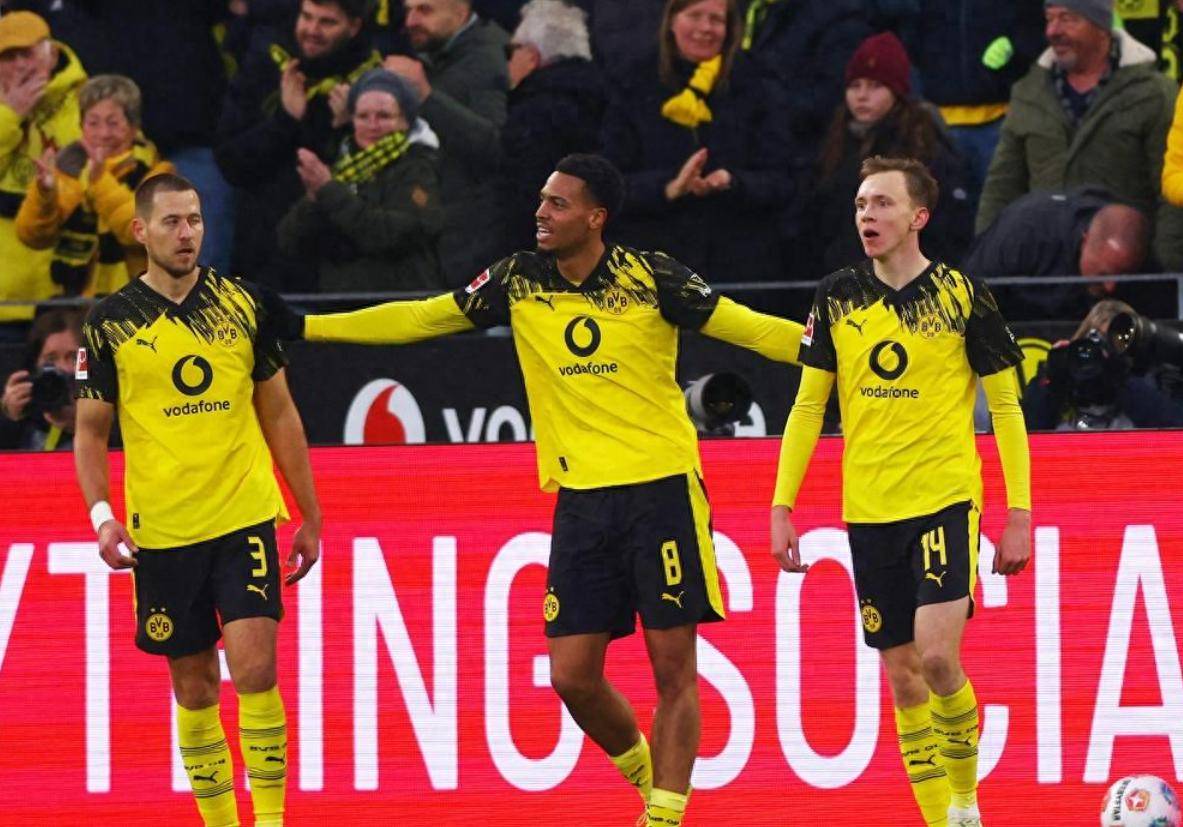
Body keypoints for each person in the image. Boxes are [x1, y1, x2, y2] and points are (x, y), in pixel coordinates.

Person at [275, 153, 804, 827]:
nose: (541, 213)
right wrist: (308, 327)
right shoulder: (518, 279)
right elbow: (423, 318)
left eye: (558, 203)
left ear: (595, 217)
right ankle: (651, 782)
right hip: (582, 502)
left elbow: (750, 327)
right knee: (571, 676)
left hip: (661, 491)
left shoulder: (651, 277)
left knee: (673, 670)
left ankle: (665, 816)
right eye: (541, 200)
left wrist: (840, 353)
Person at [771, 156, 1032, 827]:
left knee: (938, 656)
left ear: (919, 216)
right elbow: (807, 407)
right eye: (861, 203)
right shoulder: (836, 296)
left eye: (882, 203)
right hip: (868, 509)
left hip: (943, 497)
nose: (867, 214)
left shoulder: (961, 296)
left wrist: (1018, 512)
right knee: (902, 675)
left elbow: (1005, 407)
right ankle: (940, 820)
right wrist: (781, 505)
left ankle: (966, 804)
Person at [73, 173, 321, 827]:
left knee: (255, 668)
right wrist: (102, 517)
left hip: (244, 515)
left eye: (195, 220)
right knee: (195, 686)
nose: (187, 234)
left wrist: (310, 513)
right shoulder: (109, 324)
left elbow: (280, 412)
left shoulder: (242, 303)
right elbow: (90, 433)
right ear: (140, 231)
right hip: (163, 531)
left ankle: (271, 820)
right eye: (172, 222)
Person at [976, 1, 1183, 271]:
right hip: (1044, 272)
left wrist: (1168, 270)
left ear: (1102, 27)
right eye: (1049, 19)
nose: (1053, 31)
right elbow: (1002, 186)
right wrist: (985, 261)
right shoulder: (1028, 92)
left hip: (1125, 269)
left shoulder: (1153, 93)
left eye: (1067, 18)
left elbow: (1168, 197)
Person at [601, 0, 793, 291]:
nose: (705, 28)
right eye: (694, 16)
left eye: (716, 19)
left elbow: (783, 179)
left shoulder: (758, 84)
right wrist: (669, 187)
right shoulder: (632, 83)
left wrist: (733, 182)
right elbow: (609, 183)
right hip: (653, 266)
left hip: (738, 265)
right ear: (672, 21)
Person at [216, 0, 381, 291]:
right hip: (265, 254)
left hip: (342, 265)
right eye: (307, 17)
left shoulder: (374, 84)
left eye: (327, 22)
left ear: (354, 26)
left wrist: (349, 128)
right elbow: (231, 162)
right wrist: (285, 120)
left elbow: (385, 179)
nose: (312, 30)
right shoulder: (266, 67)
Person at [803, 31, 973, 278]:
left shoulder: (923, 149)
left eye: (875, 86)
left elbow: (946, 228)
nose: (862, 95)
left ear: (897, 92)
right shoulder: (835, 143)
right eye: (855, 85)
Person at [277, 68, 444, 292]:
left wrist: (329, 191)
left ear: (405, 121)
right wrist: (313, 200)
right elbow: (289, 242)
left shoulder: (418, 168)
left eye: (384, 116)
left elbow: (392, 234)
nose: (372, 125)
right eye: (363, 116)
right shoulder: (341, 165)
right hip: (341, 301)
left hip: (399, 301)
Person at [383, 0, 509, 282]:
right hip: (436, 232)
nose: (411, 21)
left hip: (469, 243)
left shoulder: (487, 60)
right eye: (408, 10)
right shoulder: (438, 53)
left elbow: (495, 146)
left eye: (425, 10)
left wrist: (426, 95)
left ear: (461, 13)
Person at [15, 74, 174, 297]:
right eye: (93, 123)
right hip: (70, 299)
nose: (103, 134)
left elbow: (137, 232)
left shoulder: (158, 173)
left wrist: (100, 181)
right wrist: (44, 194)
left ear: (133, 127)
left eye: (113, 123)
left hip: (136, 300)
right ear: (81, 126)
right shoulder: (67, 169)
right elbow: (33, 237)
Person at [0, 10, 86, 338]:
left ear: (51, 53)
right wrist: (9, 116)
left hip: (67, 296)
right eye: (9, 57)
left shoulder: (84, 101)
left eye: (28, 54)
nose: (20, 66)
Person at [497, 0, 605, 257]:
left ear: (531, 56)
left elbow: (520, 194)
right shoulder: (602, 95)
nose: (507, 60)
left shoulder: (532, 110)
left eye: (511, 51)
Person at [963, 187, 1154, 320]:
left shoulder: (1143, 258)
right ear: (1085, 239)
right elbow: (966, 301)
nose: (1111, 287)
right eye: (1104, 274)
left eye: (1123, 276)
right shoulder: (1022, 233)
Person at [1022, 299, 1183, 430]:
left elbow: (1171, 426)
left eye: (1111, 344)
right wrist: (1051, 375)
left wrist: (1121, 375)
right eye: (1095, 342)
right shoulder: (1069, 373)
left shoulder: (1149, 378)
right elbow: (1029, 427)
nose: (1103, 352)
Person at [0, 307, 83, 450]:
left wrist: (87, 422)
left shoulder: (108, 400)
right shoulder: (29, 404)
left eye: (73, 357)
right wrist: (9, 415)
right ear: (36, 363)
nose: (62, 367)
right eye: (51, 358)